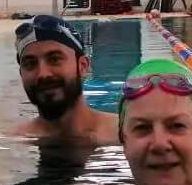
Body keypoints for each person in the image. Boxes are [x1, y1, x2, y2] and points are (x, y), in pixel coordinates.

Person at [8, 15, 118, 145]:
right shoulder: (14, 142)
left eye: (54, 59)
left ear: (82, 66)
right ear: (21, 74)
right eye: (30, 64)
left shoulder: (123, 133)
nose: (43, 74)